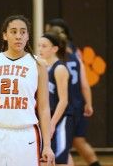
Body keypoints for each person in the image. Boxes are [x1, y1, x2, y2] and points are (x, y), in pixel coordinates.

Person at [0, 15, 55, 166]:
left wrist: (47, 145)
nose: (18, 36)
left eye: (23, 32)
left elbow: (43, 108)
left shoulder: (38, 65)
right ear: (5, 35)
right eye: (13, 32)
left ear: (28, 36)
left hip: (25, 134)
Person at [45, 18, 101, 166]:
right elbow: (84, 84)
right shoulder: (74, 52)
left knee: (63, 149)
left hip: (61, 107)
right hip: (77, 104)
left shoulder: (55, 60)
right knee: (74, 144)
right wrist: (88, 103)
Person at [38, 30, 73, 166]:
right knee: (48, 159)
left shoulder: (59, 69)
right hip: (47, 118)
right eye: (39, 45)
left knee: (59, 159)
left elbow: (64, 100)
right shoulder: (41, 67)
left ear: (55, 49)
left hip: (60, 119)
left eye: (44, 46)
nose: (40, 49)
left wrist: (52, 123)